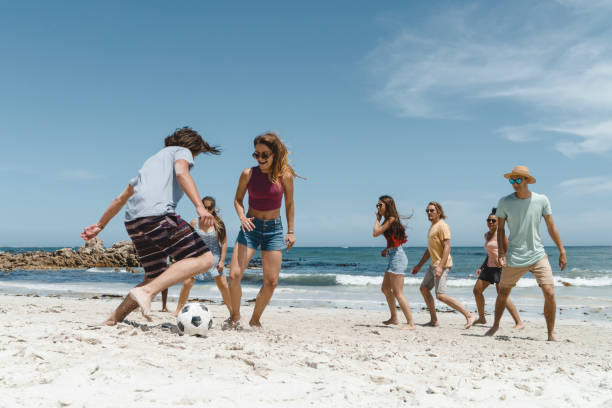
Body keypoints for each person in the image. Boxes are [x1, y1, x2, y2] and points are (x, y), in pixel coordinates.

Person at [80, 127, 220, 324]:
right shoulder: (182, 151)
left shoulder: (150, 163)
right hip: (158, 216)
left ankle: (114, 318)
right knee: (205, 259)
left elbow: (121, 198)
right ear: (192, 148)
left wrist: (100, 225)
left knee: (155, 276)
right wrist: (200, 207)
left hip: (134, 222)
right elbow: (181, 172)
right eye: (196, 155)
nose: (193, 160)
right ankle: (146, 292)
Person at [485, 166, 567, 341]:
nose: (514, 183)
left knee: (549, 292)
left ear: (527, 180)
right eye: (512, 180)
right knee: (503, 293)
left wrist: (561, 250)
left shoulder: (542, 200)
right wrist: (501, 253)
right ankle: (495, 325)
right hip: (515, 256)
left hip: (538, 254)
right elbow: (500, 229)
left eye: (518, 180)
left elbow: (551, 226)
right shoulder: (504, 202)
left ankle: (551, 333)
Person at [227, 132, 298, 329]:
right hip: (250, 227)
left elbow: (290, 204)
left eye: (264, 154)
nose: (260, 159)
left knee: (272, 281)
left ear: (274, 153)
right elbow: (237, 200)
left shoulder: (286, 176)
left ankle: (255, 319)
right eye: (256, 154)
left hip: (274, 230)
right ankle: (235, 316)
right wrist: (242, 216)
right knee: (233, 276)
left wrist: (290, 231)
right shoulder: (248, 174)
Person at [160, 196, 231, 317]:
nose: (207, 210)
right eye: (205, 207)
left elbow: (224, 243)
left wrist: (222, 261)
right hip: (198, 258)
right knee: (187, 282)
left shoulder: (219, 224)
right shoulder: (194, 223)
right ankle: (178, 310)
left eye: (209, 208)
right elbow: (189, 241)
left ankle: (233, 312)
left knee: (223, 285)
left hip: (214, 258)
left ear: (213, 209)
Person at [411, 202, 477, 329]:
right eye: (427, 211)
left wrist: (440, 266)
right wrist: (419, 266)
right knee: (424, 289)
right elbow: (429, 250)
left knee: (440, 295)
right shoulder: (432, 227)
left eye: (431, 210)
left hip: (443, 264)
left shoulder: (442, 226)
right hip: (433, 265)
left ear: (438, 212)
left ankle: (469, 315)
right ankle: (434, 320)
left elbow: (447, 247)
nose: (429, 213)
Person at [472, 208, 523, 329]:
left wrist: (506, 263)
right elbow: (490, 253)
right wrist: (481, 267)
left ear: (498, 222)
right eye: (488, 220)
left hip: (500, 269)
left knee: (502, 296)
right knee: (476, 291)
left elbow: (508, 252)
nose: (490, 222)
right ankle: (482, 318)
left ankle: (519, 322)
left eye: (493, 221)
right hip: (489, 268)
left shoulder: (501, 235)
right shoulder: (487, 235)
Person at [373, 195, 415, 330]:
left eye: (380, 205)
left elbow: (375, 232)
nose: (378, 207)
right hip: (393, 255)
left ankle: (411, 323)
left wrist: (377, 219)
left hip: (398, 258)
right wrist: (387, 249)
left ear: (387, 206)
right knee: (385, 289)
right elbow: (397, 240)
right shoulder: (391, 220)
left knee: (398, 292)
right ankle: (394, 318)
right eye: (377, 205)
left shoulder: (391, 219)